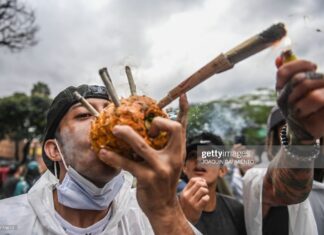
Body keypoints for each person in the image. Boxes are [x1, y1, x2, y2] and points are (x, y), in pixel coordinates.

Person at [0, 84, 200, 235]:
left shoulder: (148, 215)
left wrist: (166, 212)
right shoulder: (7, 220)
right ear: (54, 149)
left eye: (112, 110)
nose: (107, 120)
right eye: (85, 114)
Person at [243, 58, 324, 235]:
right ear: (270, 142)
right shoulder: (256, 178)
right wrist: (300, 138)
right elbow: (282, 189)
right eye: (284, 135)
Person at [179, 132, 247, 235]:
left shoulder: (237, 210)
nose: (199, 159)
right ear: (184, 167)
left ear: (222, 170)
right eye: (193, 155)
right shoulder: (168, 209)